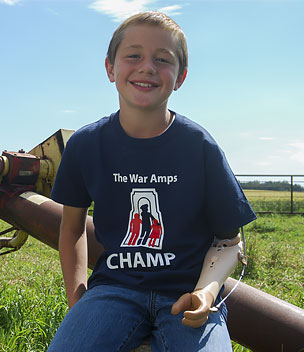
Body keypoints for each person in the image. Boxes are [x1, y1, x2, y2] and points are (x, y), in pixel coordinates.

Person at [48, 11, 256, 352]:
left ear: (180, 77)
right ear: (110, 68)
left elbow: (229, 241)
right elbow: (71, 228)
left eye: (163, 59)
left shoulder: (199, 145)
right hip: (112, 289)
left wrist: (205, 292)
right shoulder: (86, 144)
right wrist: (78, 298)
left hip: (187, 291)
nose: (147, 67)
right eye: (133, 55)